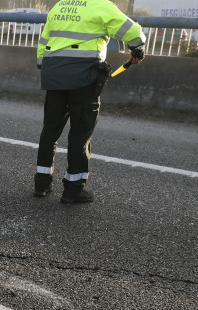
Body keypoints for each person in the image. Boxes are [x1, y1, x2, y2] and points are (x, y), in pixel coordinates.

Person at [34, 0, 146, 203]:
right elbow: (133, 33)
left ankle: (41, 184)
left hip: (54, 74)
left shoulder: (60, 6)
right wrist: (137, 50)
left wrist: (43, 63)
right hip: (83, 77)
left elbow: (44, 40)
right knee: (80, 133)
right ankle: (73, 189)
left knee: (50, 131)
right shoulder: (101, 6)